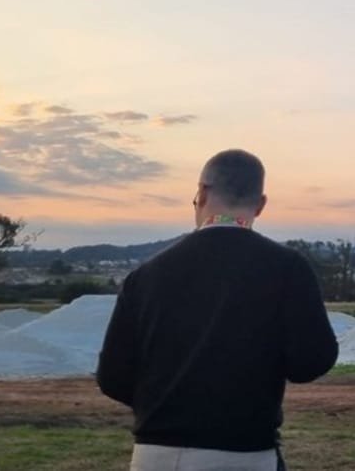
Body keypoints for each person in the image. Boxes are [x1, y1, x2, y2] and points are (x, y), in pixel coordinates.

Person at [97, 149, 338, 471]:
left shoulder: (146, 275)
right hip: (242, 452)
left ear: (201, 193)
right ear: (261, 204)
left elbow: (113, 377)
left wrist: (164, 404)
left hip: (154, 453)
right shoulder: (287, 269)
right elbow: (311, 362)